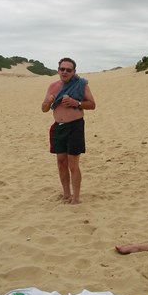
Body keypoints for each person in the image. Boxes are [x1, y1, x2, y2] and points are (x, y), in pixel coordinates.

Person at [42, 57, 96, 204]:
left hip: (75, 127)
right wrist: (48, 101)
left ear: (74, 72)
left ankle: (76, 198)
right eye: (62, 69)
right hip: (59, 128)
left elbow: (92, 104)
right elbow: (44, 109)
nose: (65, 72)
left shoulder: (81, 84)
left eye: (68, 70)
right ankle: (66, 194)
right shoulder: (52, 87)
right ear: (58, 70)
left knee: (73, 164)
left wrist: (76, 103)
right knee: (61, 162)